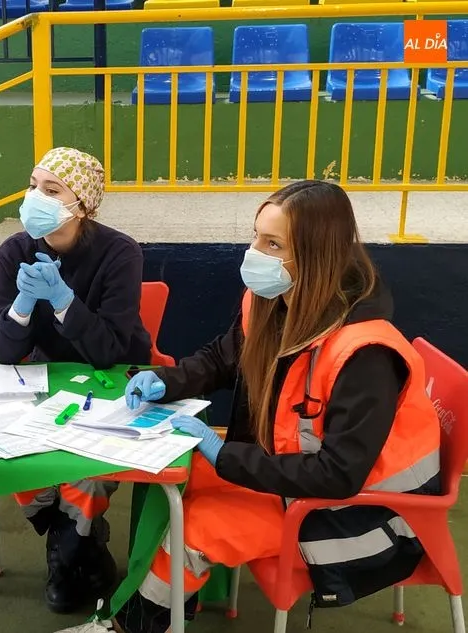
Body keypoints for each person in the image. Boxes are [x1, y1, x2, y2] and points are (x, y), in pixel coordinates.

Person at [57, 180, 442, 633]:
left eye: (272, 243)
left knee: (198, 527)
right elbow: (222, 358)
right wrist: (163, 381)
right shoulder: (276, 301)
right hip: (288, 480)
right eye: (256, 235)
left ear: (316, 258)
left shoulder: (366, 355)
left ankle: (134, 625)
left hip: (356, 515)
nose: (253, 252)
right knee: (165, 474)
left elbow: (339, 475)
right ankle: (168, 605)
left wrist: (225, 455)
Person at [0, 147, 152, 614]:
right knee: (13, 454)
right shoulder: (13, 251)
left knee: (88, 474)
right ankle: (82, 544)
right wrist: (19, 305)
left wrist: (62, 301)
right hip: (45, 382)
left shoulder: (120, 253)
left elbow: (108, 352)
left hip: (113, 382)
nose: (35, 196)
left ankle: (66, 554)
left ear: (81, 204)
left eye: (51, 189)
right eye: (33, 184)